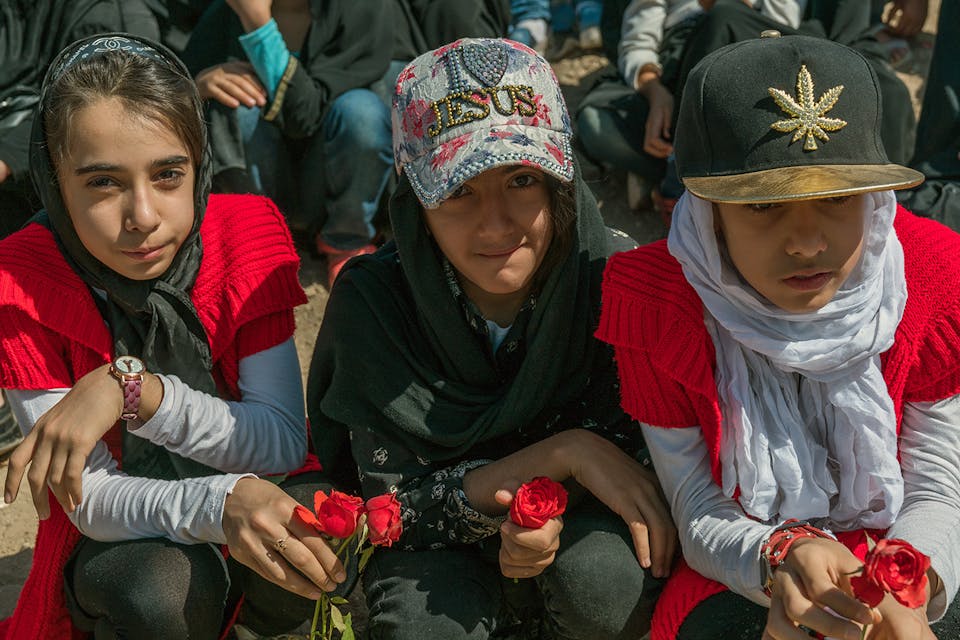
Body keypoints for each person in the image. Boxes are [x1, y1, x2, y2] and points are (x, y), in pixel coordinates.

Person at [308, 37, 676, 640]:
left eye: (522, 180)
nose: (496, 223)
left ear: (561, 180)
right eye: (458, 191)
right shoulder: (376, 303)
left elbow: (650, 464)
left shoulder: (615, 280)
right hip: (432, 552)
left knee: (606, 585)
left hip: (582, 529)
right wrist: (564, 454)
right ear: (415, 199)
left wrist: (550, 509)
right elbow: (391, 510)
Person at [595, 32, 960, 639]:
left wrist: (906, 585)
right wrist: (779, 557)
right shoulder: (657, 301)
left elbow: (937, 481)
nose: (807, 242)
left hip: (905, 545)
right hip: (744, 559)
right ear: (708, 209)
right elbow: (696, 503)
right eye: (763, 207)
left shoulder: (933, 277)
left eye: (838, 198)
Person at [0, 34, 348, 640]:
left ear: (199, 163)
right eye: (103, 183)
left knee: (313, 527)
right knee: (156, 593)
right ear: (55, 181)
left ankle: (253, 622)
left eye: (167, 174)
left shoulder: (246, 236)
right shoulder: (21, 282)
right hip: (128, 528)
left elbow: (283, 443)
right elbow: (87, 495)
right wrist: (221, 505)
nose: (144, 216)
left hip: (261, 477)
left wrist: (135, 391)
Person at [182, 0, 394, 287]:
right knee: (235, 105)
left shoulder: (362, 10)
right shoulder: (226, 14)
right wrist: (199, 86)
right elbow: (173, 98)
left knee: (362, 113)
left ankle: (346, 242)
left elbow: (303, 116)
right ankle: (262, 241)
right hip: (262, 186)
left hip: (332, 183)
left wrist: (258, 26)